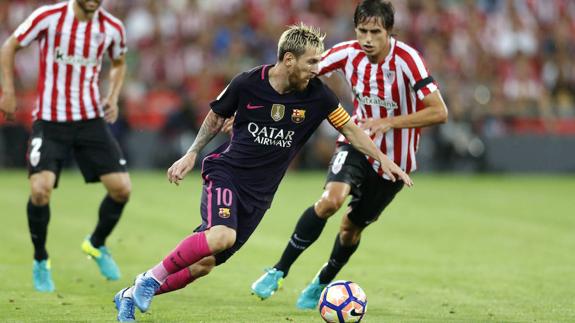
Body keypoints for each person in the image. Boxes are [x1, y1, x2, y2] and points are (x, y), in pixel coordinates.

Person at [113, 23, 412, 322]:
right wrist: (192, 153)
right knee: (221, 236)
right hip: (227, 174)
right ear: (289, 59)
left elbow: (349, 128)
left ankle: (129, 295)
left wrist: (382, 159)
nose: (317, 69)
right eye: (312, 62)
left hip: (259, 196)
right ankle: (149, 280)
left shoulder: (319, 96)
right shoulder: (247, 82)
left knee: (203, 265)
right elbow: (216, 117)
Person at [251, 0, 448, 310]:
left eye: (375, 32)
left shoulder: (409, 61)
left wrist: (390, 122)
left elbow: (439, 111)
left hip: (395, 164)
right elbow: (303, 72)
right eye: (361, 31)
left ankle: (322, 281)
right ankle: (278, 270)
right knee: (330, 200)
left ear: (389, 32)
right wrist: (257, 104)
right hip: (356, 142)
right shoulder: (346, 53)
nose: (367, 39)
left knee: (350, 228)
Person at [0, 0, 131, 292]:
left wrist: (113, 95)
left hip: (90, 119)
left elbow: (119, 62)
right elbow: (9, 46)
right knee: (39, 190)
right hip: (50, 119)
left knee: (122, 189)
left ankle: (96, 244)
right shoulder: (49, 17)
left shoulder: (112, 28)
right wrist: (8, 91)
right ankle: (40, 259)